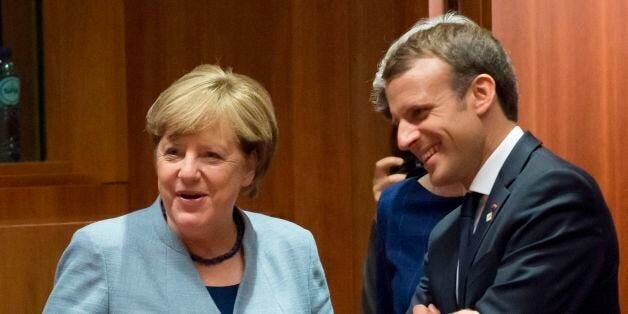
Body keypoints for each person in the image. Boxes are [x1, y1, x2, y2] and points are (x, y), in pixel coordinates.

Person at [371, 13, 619, 314]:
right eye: (399, 123)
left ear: (481, 94)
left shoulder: (555, 195)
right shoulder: (444, 233)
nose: (403, 140)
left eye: (419, 113)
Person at [44, 64, 333, 313]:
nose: (187, 172)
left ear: (249, 168)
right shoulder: (103, 252)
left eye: (211, 155)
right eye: (174, 152)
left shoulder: (293, 249)